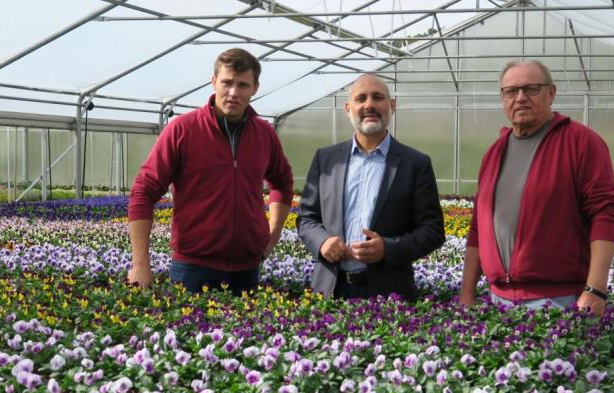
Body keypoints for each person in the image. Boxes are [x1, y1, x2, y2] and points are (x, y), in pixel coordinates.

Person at [459, 60, 614, 316]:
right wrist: (467, 293)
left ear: (551, 93)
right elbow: (478, 227)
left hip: (560, 300)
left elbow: (604, 214)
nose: (520, 98)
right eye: (511, 91)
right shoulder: (494, 153)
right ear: (503, 99)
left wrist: (595, 289)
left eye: (531, 89)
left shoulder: (580, 142)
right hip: (498, 299)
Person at [127, 48, 294, 295]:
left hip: (247, 269)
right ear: (213, 81)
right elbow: (144, 191)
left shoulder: (264, 133)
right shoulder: (183, 129)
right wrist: (140, 263)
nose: (233, 92)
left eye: (243, 85)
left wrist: (272, 234)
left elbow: (282, 181)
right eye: (227, 82)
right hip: (192, 269)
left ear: (255, 88)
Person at [297, 73, 445, 301]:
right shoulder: (326, 159)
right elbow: (307, 218)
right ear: (348, 108)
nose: (369, 105)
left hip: (389, 293)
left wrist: (388, 248)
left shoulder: (415, 163)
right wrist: (323, 242)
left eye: (377, 97)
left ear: (392, 105)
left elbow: (432, 230)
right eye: (361, 98)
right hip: (330, 290)